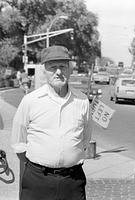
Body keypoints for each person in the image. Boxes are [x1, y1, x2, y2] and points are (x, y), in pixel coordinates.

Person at [11, 45, 92, 200]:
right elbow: (18, 143)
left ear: (69, 69)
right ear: (44, 71)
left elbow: (85, 139)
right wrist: (41, 166)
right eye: (52, 67)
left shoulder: (82, 101)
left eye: (62, 66)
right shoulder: (30, 101)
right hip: (37, 182)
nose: (58, 72)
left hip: (72, 182)